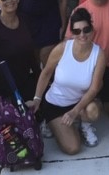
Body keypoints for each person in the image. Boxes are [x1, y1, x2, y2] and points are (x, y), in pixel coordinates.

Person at [32, 8, 105, 153]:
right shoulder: (62, 49)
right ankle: (50, 122)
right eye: (77, 31)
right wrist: (37, 99)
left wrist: (74, 111)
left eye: (86, 29)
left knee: (93, 111)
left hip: (79, 103)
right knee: (73, 148)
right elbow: (46, 73)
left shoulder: (99, 54)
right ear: (71, 32)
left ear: (92, 29)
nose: (82, 35)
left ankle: (83, 124)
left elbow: (94, 89)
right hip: (55, 103)